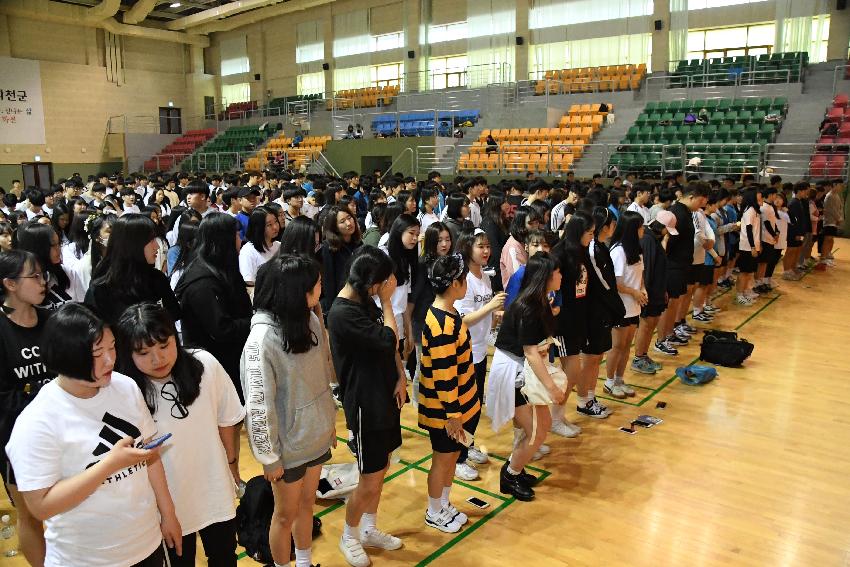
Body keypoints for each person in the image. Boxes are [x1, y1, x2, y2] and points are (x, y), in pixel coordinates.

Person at [5, 303, 182, 567]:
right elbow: (41, 506)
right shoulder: (37, 422)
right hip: (85, 558)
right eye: (97, 353)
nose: (111, 359)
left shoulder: (125, 387)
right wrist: (109, 464)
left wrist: (168, 514)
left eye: (112, 348)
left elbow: (150, 455)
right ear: (67, 356)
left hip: (145, 544)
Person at [114, 303, 244, 567]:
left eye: (164, 346)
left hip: (214, 489)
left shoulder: (205, 365)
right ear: (128, 354)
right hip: (165, 503)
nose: (158, 359)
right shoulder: (125, 391)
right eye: (144, 352)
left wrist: (232, 467)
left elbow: (228, 419)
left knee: (225, 558)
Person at [242, 255, 337, 567]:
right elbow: (259, 405)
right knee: (284, 516)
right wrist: (269, 457)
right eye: (316, 284)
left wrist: (329, 422)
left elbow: (321, 377)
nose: (321, 288)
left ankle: (305, 562)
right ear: (297, 292)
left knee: (308, 505)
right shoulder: (261, 341)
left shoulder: (308, 319)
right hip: (288, 449)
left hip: (315, 436)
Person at [327, 247, 407, 567]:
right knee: (368, 478)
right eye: (386, 280)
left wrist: (400, 376)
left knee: (382, 469)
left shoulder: (364, 302)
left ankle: (369, 529)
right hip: (365, 405)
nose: (391, 285)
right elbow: (389, 338)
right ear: (373, 282)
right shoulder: (342, 313)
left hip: (385, 397)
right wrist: (387, 301)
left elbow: (390, 349)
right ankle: (349, 535)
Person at [487, 252, 563, 501]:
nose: (561, 276)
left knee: (539, 429)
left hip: (525, 369)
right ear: (546, 277)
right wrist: (552, 388)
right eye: (557, 272)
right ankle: (510, 475)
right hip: (514, 371)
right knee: (535, 432)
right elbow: (530, 353)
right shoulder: (528, 307)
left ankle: (515, 469)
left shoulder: (539, 301)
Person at [419, 253, 480, 531]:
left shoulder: (451, 312)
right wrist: (453, 415)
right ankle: (433, 510)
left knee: (452, 458)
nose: (466, 283)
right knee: (442, 460)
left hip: (460, 406)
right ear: (455, 284)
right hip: (445, 412)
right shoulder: (441, 325)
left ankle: (444, 503)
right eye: (464, 279)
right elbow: (445, 377)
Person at [0, 250, 53, 566]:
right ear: (9, 284)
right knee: (31, 515)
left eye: (41, 274)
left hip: (63, 433)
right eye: (33, 276)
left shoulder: (52, 321)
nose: (42, 282)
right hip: (16, 439)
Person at [175, 213, 253, 403]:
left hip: (232, 356)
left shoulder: (221, 266)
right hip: (214, 362)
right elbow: (221, 329)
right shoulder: (202, 282)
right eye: (235, 235)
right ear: (223, 240)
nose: (240, 239)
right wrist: (255, 322)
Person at [452, 228, 505, 480]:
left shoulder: (484, 275)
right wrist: (491, 307)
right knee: (465, 406)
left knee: (475, 405)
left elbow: (484, 312)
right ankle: (458, 458)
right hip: (466, 353)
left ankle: (468, 444)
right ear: (467, 249)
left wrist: (495, 315)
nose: (486, 251)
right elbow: (462, 319)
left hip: (482, 349)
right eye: (480, 246)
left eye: (487, 246)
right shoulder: (464, 279)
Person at [84, 214, 181, 326]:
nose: (157, 247)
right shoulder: (101, 289)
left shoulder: (157, 279)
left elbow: (172, 317)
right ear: (132, 244)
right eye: (151, 241)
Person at [410, 223, 453, 406]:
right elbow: (414, 298)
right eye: (439, 240)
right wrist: (409, 328)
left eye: (447, 239)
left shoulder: (449, 262)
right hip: (423, 322)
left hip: (442, 320)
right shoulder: (422, 265)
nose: (444, 244)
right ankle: (417, 402)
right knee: (423, 366)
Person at [604, 211, 646, 398]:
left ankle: (620, 379)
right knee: (617, 345)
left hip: (634, 306)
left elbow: (640, 277)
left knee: (627, 345)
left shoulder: (636, 250)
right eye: (640, 226)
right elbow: (616, 284)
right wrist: (634, 292)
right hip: (621, 307)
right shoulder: (618, 251)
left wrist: (643, 290)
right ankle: (609, 381)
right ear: (632, 229)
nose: (643, 230)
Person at [379, 214, 420, 371]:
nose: (415, 238)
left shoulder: (406, 261)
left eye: (417, 234)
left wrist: (409, 332)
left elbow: (403, 303)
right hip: (381, 324)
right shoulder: (383, 256)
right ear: (398, 231)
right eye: (411, 233)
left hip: (399, 326)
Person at [17, 221, 85, 309]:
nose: (59, 250)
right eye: (53, 245)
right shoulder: (23, 281)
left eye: (59, 244)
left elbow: (82, 306)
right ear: (37, 248)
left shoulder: (68, 272)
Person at [632, 214, 671, 371]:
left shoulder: (653, 239)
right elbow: (646, 268)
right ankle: (638, 358)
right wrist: (645, 290)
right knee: (646, 324)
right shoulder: (647, 240)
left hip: (658, 289)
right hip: (650, 291)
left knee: (652, 323)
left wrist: (664, 289)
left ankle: (644, 354)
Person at [320, 205, 363, 314]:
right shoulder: (328, 247)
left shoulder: (358, 243)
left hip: (359, 298)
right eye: (342, 221)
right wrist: (332, 310)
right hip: (341, 302)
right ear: (335, 227)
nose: (349, 223)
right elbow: (328, 281)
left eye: (349, 218)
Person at [500, 206, 542, 289]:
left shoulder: (527, 240)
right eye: (530, 223)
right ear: (521, 225)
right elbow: (519, 278)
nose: (535, 226)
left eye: (536, 222)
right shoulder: (513, 247)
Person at [239, 206, 281, 286]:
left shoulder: (279, 246)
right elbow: (249, 283)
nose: (275, 227)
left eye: (276, 221)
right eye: (269, 225)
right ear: (258, 227)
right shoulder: (248, 251)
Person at [735, 189, 762, 305]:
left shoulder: (754, 210)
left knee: (749, 271)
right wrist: (752, 247)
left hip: (753, 245)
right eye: (759, 197)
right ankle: (740, 295)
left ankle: (745, 291)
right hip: (747, 246)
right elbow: (749, 230)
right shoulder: (750, 211)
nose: (761, 199)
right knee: (744, 272)